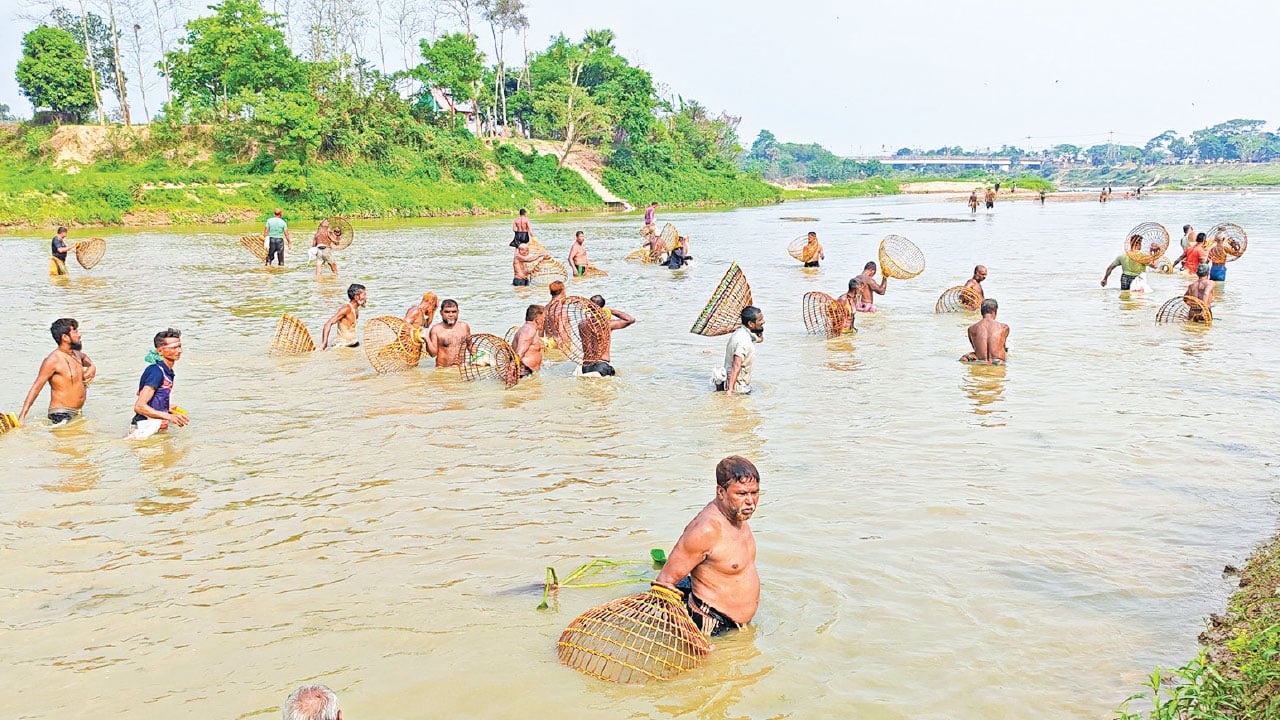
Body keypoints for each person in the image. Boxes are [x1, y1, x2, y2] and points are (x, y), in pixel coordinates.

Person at [652, 455, 761, 636]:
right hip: (710, 626)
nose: (750, 501)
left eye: (754, 493)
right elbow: (663, 584)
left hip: (737, 628)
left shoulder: (738, 515)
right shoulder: (706, 531)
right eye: (741, 494)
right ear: (721, 492)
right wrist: (689, 637)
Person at [17, 318, 96, 426]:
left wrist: (92, 367)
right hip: (60, 414)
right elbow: (36, 388)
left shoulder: (76, 354)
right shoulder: (52, 360)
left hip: (77, 412)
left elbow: (86, 359)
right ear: (65, 337)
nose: (79, 335)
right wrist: (22, 417)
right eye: (75, 332)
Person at [131, 328, 189, 431]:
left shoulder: (167, 371)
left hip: (157, 426)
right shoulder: (156, 372)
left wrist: (165, 407)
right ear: (160, 351)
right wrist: (170, 417)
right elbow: (139, 406)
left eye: (179, 346)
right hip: (144, 428)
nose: (179, 351)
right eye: (174, 347)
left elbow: (141, 392)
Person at [713, 306, 763, 396]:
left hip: (731, 383)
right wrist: (730, 391)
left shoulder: (741, 332)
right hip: (738, 388)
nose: (763, 322)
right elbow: (736, 365)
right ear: (751, 324)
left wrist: (760, 329)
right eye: (760, 320)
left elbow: (760, 339)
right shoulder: (743, 341)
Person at [579, 295, 634, 376]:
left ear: (589, 306)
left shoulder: (582, 324)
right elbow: (630, 319)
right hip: (601, 365)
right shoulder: (607, 324)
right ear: (603, 307)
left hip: (586, 367)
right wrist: (611, 311)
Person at [961, 299, 1009, 365]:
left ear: (981, 312)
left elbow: (976, 348)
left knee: (969, 356)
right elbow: (1002, 347)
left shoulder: (971, 329)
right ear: (995, 312)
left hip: (981, 363)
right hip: (997, 364)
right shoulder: (1004, 327)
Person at [426, 299, 472, 367]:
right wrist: (426, 338)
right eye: (447, 312)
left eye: (454, 312)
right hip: (443, 369)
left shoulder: (464, 327)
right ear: (441, 313)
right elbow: (433, 354)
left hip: (461, 367)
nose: (451, 315)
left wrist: (481, 357)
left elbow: (470, 346)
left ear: (458, 312)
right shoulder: (435, 330)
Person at [321, 284, 366, 349]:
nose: (366, 298)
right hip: (343, 346)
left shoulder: (356, 309)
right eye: (364, 295)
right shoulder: (346, 309)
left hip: (353, 343)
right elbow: (328, 324)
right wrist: (324, 344)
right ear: (356, 297)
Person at [510, 304, 545, 377]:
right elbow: (519, 354)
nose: (544, 320)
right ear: (537, 320)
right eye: (543, 318)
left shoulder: (528, 329)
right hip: (525, 372)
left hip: (529, 371)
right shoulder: (529, 331)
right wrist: (510, 373)